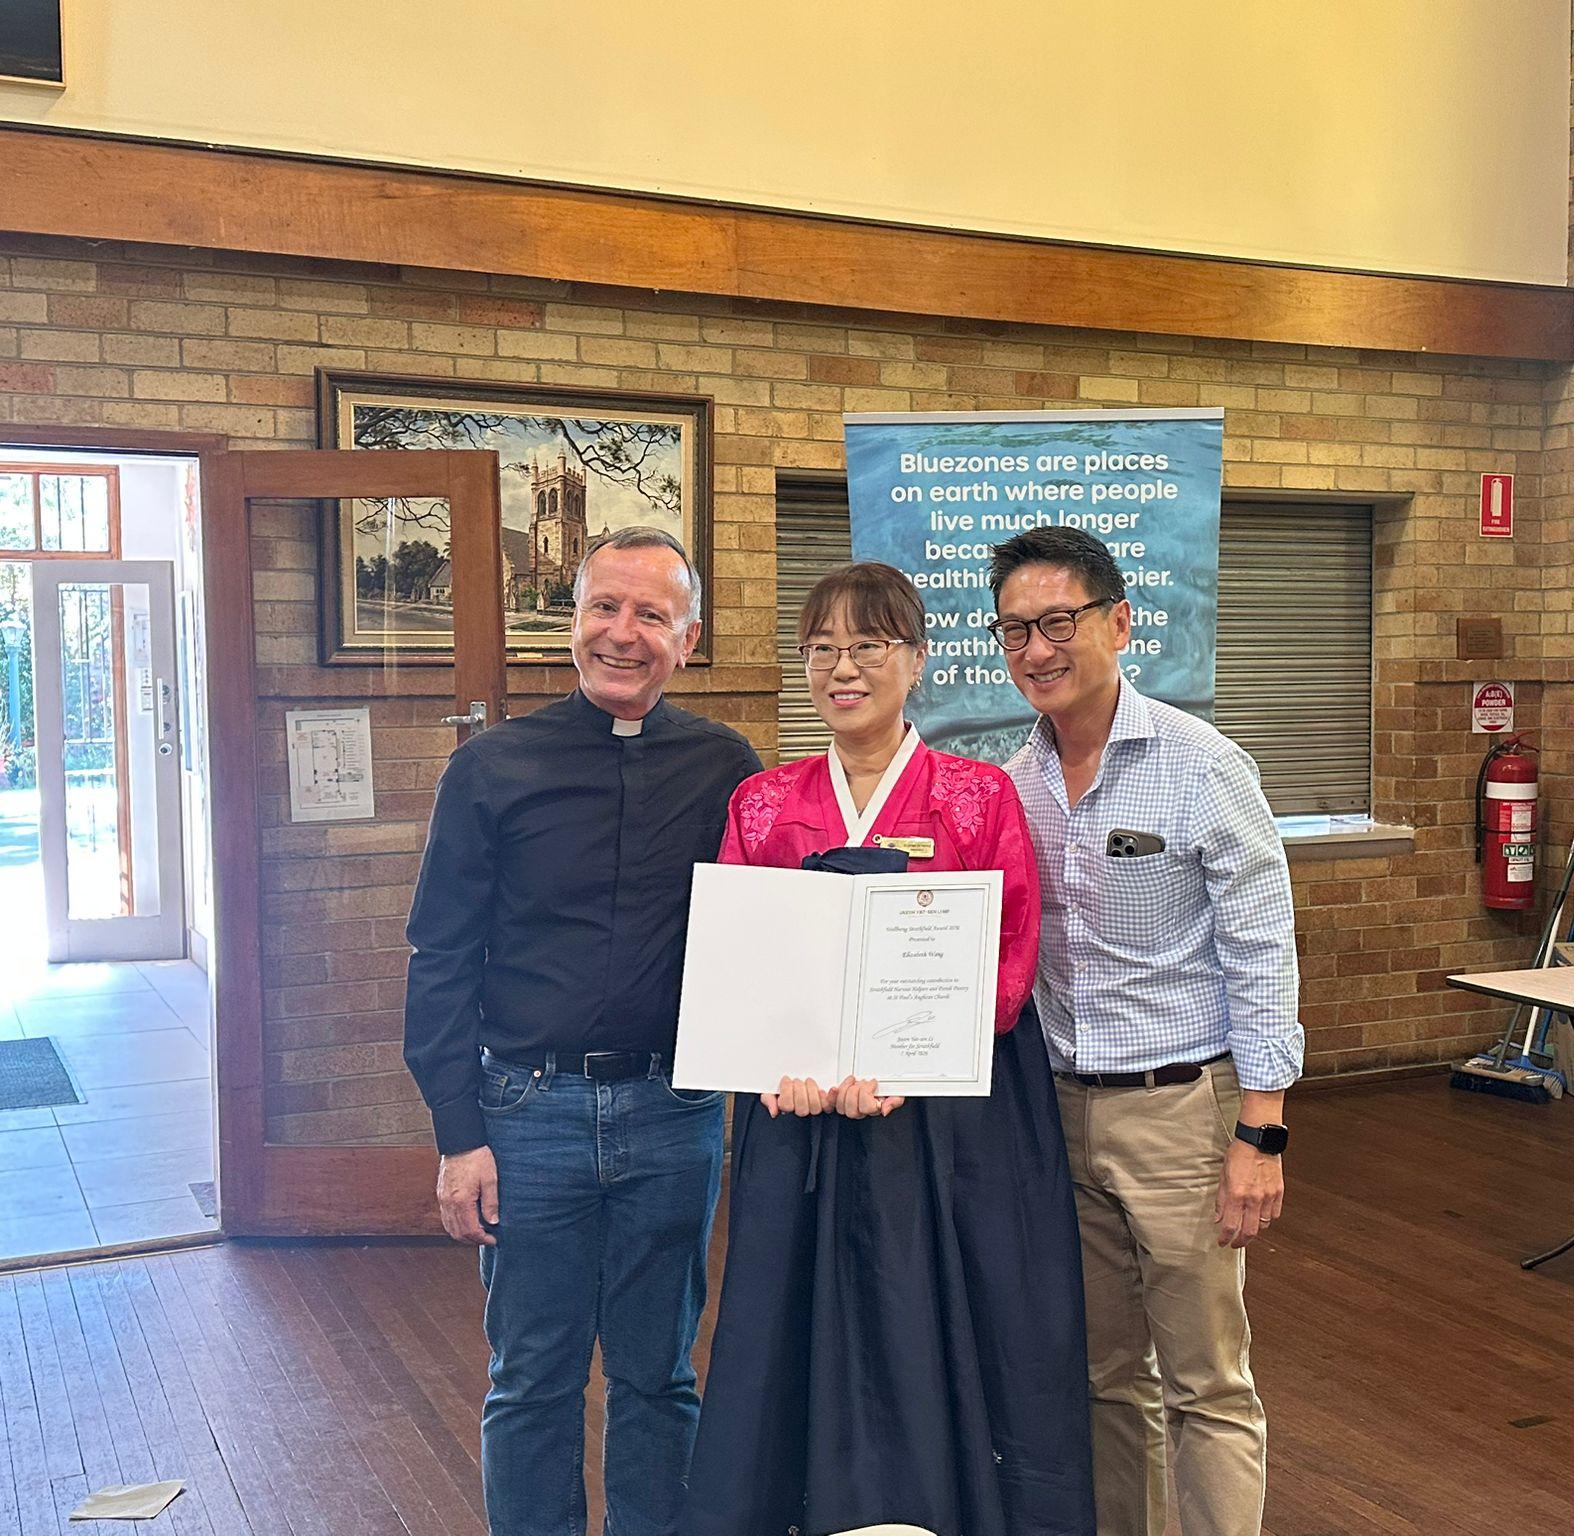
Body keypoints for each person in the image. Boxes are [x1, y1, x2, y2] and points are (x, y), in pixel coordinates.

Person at [684, 561, 1094, 1536]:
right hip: (797, 1115)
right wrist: (773, 1059)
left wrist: (903, 1064)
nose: (843, 668)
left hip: (942, 1124)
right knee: (790, 1323)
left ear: (915, 659)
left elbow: (1008, 951)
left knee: (936, 1315)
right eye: (822, 648)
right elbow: (746, 957)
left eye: (867, 645)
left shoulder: (975, 797)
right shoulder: (763, 802)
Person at [402, 526, 761, 1536]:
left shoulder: (725, 768)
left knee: (659, 1376)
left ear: (685, 640)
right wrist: (455, 1134)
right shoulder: (491, 769)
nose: (623, 632)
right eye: (605, 607)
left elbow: (767, 929)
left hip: (672, 1112)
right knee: (532, 1382)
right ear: (570, 624)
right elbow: (440, 956)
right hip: (525, 1116)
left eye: (651, 615)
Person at [988, 525, 1303, 1536]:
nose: (1035, 650)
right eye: (1012, 632)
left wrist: (1261, 1129)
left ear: (1118, 622)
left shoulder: (1200, 765)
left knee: (1205, 1380)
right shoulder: (1013, 782)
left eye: (1056, 623)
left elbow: (1261, 946)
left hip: (1180, 1112)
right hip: (1056, 1115)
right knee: (1101, 1377)